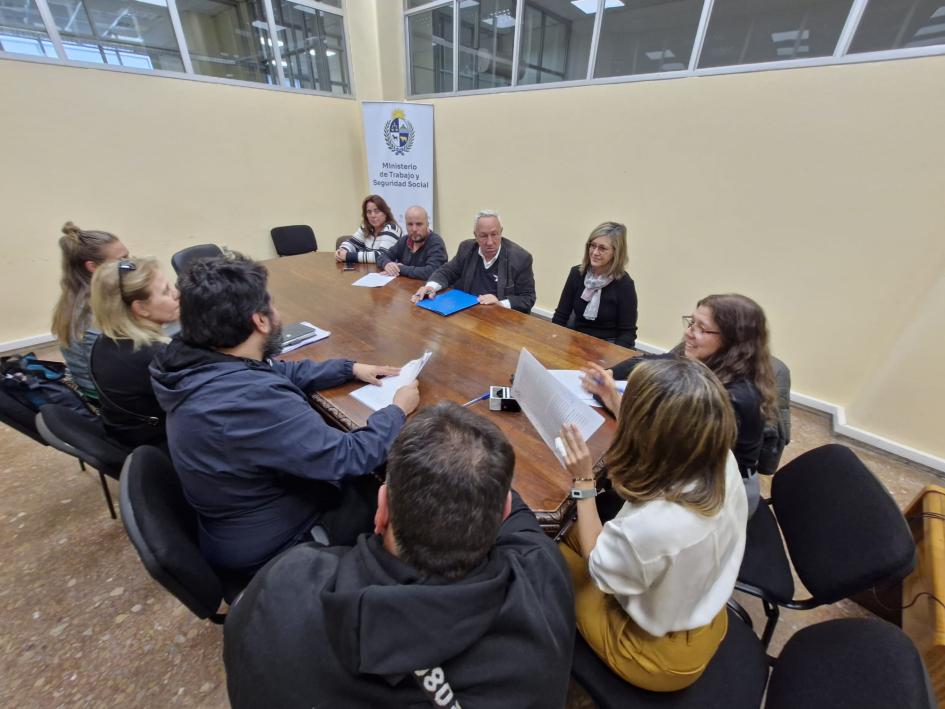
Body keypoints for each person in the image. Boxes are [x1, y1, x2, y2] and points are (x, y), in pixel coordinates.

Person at [224, 402, 576, 709]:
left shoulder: (284, 582)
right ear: (502, 514)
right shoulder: (543, 580)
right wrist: (475, 468)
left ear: (382, 510)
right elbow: (520, 524)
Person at [150, 253, 420, 576]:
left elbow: (279, 371)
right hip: (281, 545)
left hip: (241, 516)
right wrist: (397, 410)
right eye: (272, 305)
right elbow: (347, 456)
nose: (277, 313)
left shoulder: (201, 360)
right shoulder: (248, 399)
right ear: (260, 321)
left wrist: (349, 368)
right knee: (399, 501)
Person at [558, 358, 748, 692]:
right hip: (697, 609)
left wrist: (584, 482)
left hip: (655, 655)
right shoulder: (717, 456)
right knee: (569, 531)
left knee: (541, 554)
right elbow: (667, 437)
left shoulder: (657, 527)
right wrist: (615, 399)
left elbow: (597, 565)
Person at [592, 293, 778, 513]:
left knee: (603, 501)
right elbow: (648, 360)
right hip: (687, 473)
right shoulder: (704, 359)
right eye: (691, 322)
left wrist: (616, 402)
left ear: (733, 340)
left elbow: (664, 450)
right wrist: (609, 374)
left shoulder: (733, 399)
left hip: (718, 496)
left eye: (702, 328)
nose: (689, 332)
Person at [88, 257, 179, 452]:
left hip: (127, 435)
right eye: (165, 291)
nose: (176, 294)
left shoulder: (105, 340)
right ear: (141, 308)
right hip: (160, 446)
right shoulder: (154, 356)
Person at [51, 222, 129, 397]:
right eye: (122, 260)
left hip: (99, 384)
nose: (130, 264)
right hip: (104, 394)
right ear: (93, 267)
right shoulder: (92, 311)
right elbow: (125, 367)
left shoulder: (78, 297)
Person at [411, 210, 537, 314]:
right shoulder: (467, 248)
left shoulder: (520, 258)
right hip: (469, 313)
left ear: (501, 232)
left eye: (494, 234)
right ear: (475, 235)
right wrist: (431, 287)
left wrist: (500, 303)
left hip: (501, 320)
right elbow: (447, 271)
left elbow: (528, 298)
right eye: (483, 236)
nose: (489, 242)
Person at [552, 222, 638, 348]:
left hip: (608, 345)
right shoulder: (577, 273)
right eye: (592, 245)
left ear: (616, 252)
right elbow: (561, 316)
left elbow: (627, 333)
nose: (595, 252)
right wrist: (554, 342)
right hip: (576, 339)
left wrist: (614, 358)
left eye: (603, 248)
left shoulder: (624, 284)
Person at [375, 205, 448, 280]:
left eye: (419, 224)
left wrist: (400, 269)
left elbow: (431, 272)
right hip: (406, 286)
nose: (414, 229)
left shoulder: (436, 242)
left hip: (427, 287)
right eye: (410, 224)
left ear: (427, 225)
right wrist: (387, 264)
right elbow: (382, 256)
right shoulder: (404, 240)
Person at [335, 195, 403, 264]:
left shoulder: (392, 228)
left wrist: (347, 255)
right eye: (369, 212)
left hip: (388, 270)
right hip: (367, 269)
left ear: (385, 213)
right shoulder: (366, 227)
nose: (373, 216)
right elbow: (351, 243)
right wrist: (342, 251)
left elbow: (381, 256)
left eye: (377, 211)